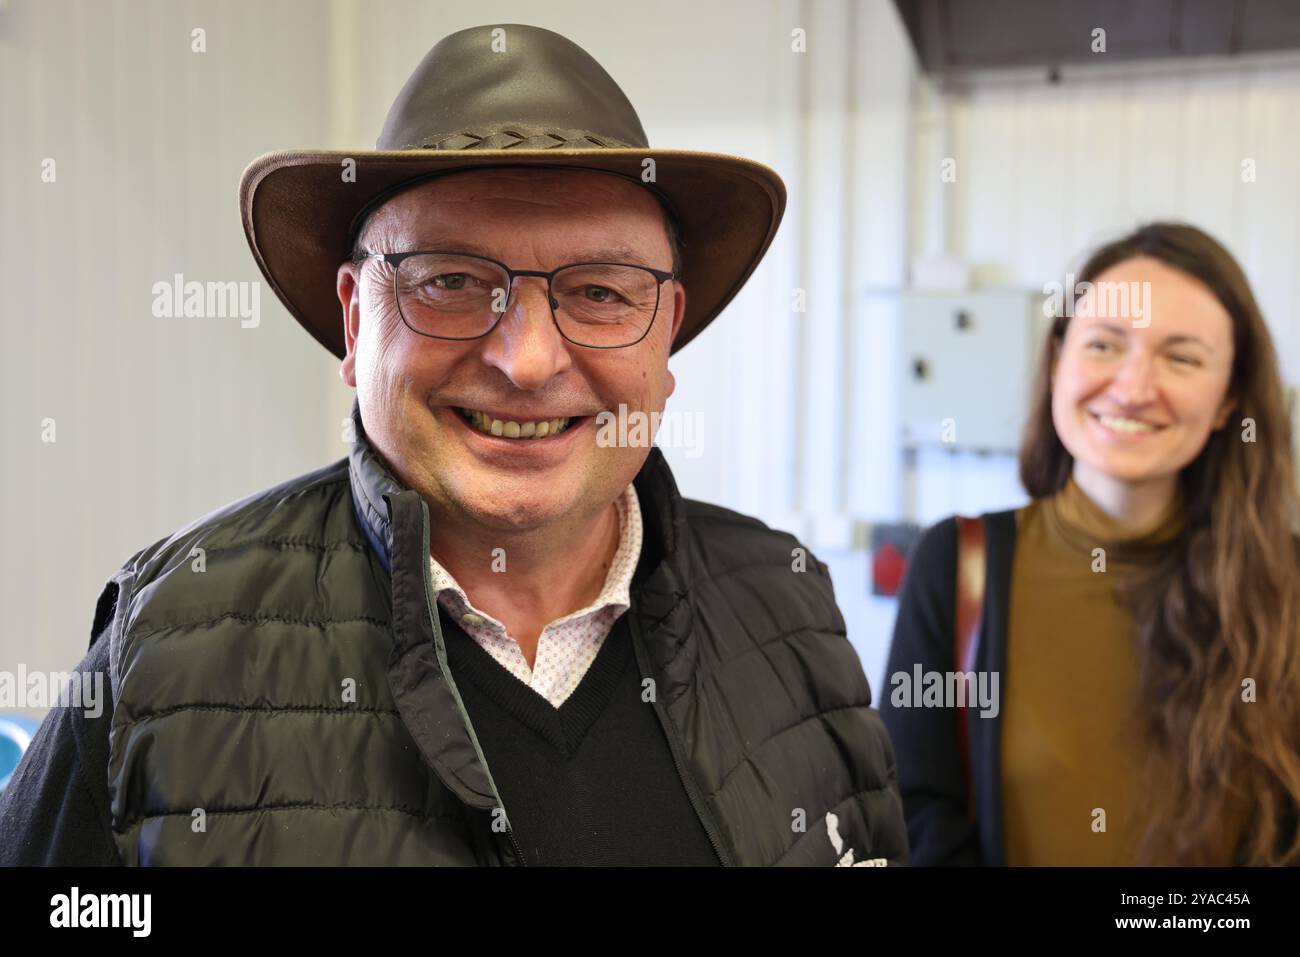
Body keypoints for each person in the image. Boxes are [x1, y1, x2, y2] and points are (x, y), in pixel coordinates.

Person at [0, 23, 906, 866]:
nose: (527, 358)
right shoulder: (169, 646)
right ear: (357, 322)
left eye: (600, 291)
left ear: (664, 333)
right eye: (452, 280)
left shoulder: (788, 603)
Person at [881, 222, 1300, 865]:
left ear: (1228, 400)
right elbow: (912, 813)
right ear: (1057, 361)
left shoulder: (1286, 580)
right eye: (1105, 344)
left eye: (1182, 357)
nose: (1133, 387)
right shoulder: (958, 563)